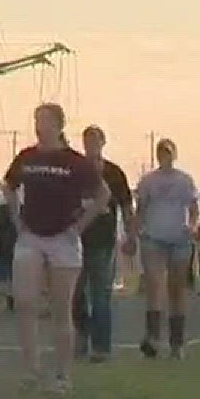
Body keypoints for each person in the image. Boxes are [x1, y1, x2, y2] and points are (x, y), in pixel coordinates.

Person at [4, 102, 109, 397]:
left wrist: (80, 226)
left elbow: (103, 195)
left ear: (59, 125)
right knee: (25, 302)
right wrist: (15, 216)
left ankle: (63, 374)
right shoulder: (26, 157)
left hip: (63, 237)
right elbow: (9, 186)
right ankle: (31, 369)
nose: (39, 125)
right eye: (37, 119)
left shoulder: (74, 161)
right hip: (31, 235)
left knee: (61, 309)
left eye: (45, 120)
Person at [69, 126, 134, 363]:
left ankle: (101, 346)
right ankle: (82, 332)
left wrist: (131, 235)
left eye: (95, 140)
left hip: (103, 240)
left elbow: (127, 205)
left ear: (103, 143)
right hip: (77, 239)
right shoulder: (75, 169)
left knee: (101, 294)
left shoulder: (114, 174)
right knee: (75, 293)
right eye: (87, 140)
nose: (91, 145)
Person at [133, 137, 200, 359]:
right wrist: (135, 231)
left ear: (174, 154)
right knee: (154, 285)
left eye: (169, 152)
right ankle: (153, 337)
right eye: (162, 152)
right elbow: (141, 209)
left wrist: (192, 227)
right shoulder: (148, 181)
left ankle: (177, 342)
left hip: (179, 237)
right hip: (154, 237)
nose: (165, 156)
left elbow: (194, 209)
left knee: (177, 289)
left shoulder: (184, 181)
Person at [0, 198, 19, 310]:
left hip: (4, 248)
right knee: (11, 276)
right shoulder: (19, 210)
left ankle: (10, 296)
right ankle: (11, 296)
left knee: (6, 277)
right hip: (11, 248)